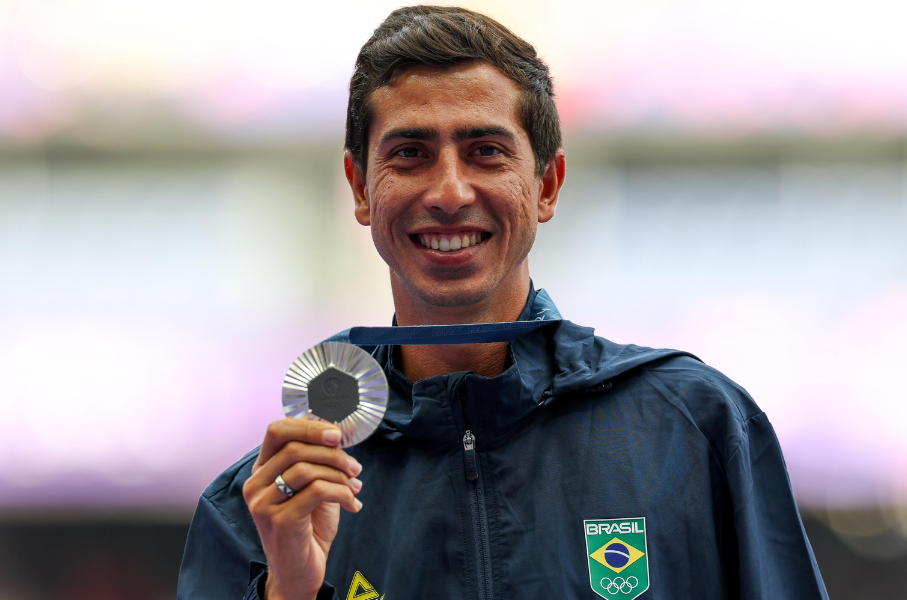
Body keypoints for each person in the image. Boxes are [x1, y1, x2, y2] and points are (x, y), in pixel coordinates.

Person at [177, 6, 829, 600]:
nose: (450, 191)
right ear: (359, 187)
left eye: (486, 152)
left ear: (547, 185)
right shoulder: (260, 510)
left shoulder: (697, 426)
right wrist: (290, 587)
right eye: (410, 154)